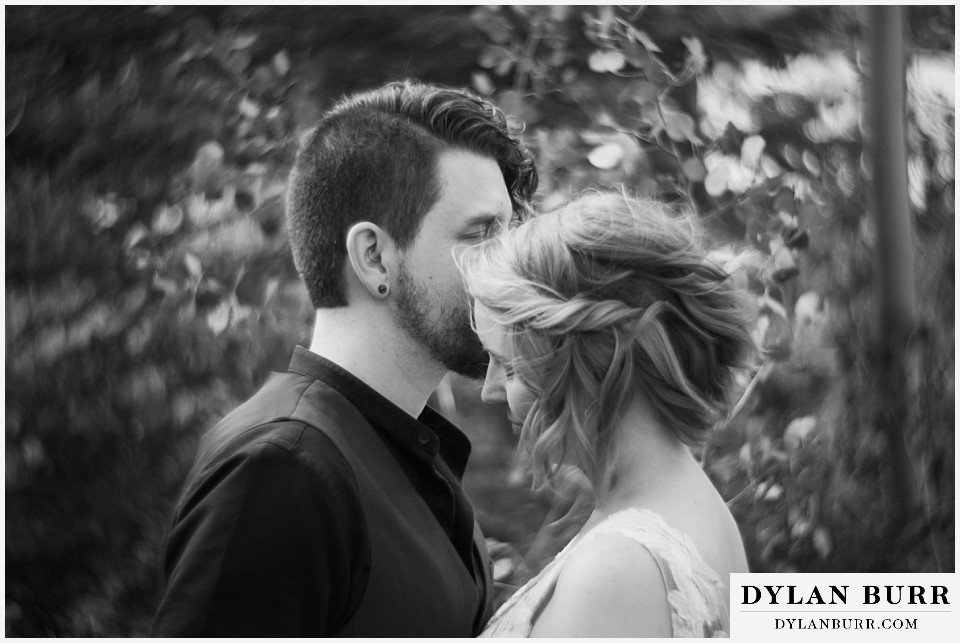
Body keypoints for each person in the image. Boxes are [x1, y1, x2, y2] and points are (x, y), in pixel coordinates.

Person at [151, 80, 537, 637]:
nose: (511, 266)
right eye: (481, 236)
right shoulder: (281, 470)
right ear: (375, 257)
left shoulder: (409, 450)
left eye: (510, 232)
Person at [458, 191, 755, 637]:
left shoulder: (619, 567)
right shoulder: (695, 508)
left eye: (513, 366)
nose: (490, 392)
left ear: (598, 360)